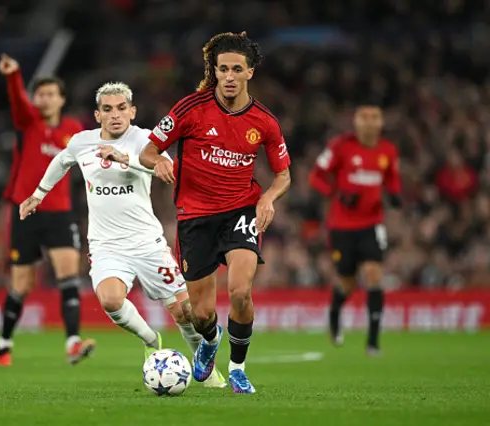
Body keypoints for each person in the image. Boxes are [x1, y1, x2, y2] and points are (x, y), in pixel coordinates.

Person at [19, 82, 226, 388]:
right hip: (106, 245)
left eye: (120, 108)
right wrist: (38, 194)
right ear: (97, 115)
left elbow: (167, 167)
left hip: (147, 242)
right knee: (111, 300)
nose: (114, 115)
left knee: (185, 312)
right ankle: (150, 339)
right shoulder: (82, 142)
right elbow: (61, 161)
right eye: (107, 109)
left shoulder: (145, 139)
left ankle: (208, 372)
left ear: (132, 112)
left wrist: (125, 159)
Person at [139, 32, 291, 394]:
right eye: (223, 69)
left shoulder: (265, 122)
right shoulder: (190, 109)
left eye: (237, 69)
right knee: (201, 314)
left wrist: (268, 198)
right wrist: (158, 160)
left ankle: (237, 368)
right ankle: (210, 340)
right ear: (215, 71)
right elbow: (148, 151)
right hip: (194, 217)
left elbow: (284, 175)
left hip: (240, 210)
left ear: (249, 73)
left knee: (240, 292)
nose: (229, 76)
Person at [0, 54, 95, 366]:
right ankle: (3, 345)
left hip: (60, 212)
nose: (45, 99)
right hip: (25, 211)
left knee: (69, 276)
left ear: (61, 99)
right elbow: (17, 102)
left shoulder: (74, 129)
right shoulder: (27, 122)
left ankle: (73, 344)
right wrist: (14, 76)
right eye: (40, 94)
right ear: (34, 99)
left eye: (51, 94)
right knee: (22, 285)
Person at [308, 103, 402, 355]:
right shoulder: (340, 146)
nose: (370, 122)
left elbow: (392, 179)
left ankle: (372, 342)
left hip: (371, 225)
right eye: (364, 117)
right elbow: (316, 176)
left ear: (381, 123)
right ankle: (335, 311)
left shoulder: (388, 150)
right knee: (347, 283)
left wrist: (394, 195)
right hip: (341, 226)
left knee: (373, 275)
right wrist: (336, 193)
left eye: (375, 117)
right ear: (356, 122)